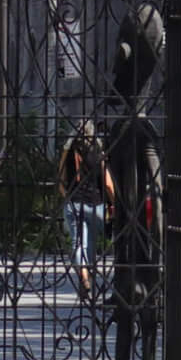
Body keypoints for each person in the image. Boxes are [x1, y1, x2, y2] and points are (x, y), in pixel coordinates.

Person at [57, 121, 112, 297]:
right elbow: (108, 183)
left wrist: (67, 196)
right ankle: (89, 275)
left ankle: (84, 276)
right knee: (91, 244)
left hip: (74, 202)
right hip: (95, 204)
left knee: (78, 242)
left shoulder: (68, 151)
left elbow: (61, 179)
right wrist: (114, 202)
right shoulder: (98, 152)